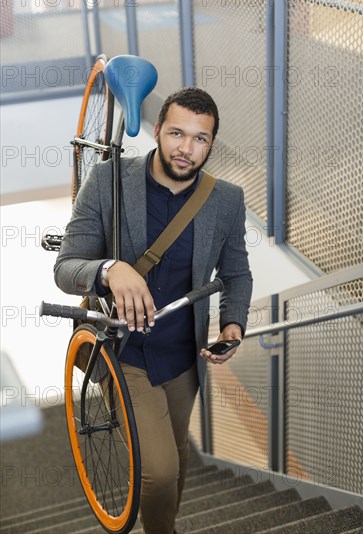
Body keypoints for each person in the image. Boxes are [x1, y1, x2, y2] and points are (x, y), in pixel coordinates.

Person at [54, 87, 253, 534]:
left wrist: (233, 326)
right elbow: (65, 269)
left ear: (212, 144)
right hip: (122, 351)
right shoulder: (108, 181)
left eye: (200, 138)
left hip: (181, 355)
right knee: (160, 471)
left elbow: (237, 274)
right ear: (158, 130)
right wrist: (110, 269)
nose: (187, 149)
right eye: (177, 133)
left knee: (178, 453)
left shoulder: (226, 199)